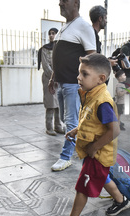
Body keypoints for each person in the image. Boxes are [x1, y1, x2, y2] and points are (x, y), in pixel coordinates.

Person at [53, 53, 130, 216]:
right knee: (101, 178)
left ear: (101, 79)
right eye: (79, 73)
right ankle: (122, 201)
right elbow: (91, 122)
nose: (78, 77)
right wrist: (77, 130)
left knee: (83, 186)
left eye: (84, 74)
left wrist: (94, 147)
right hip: (93, 152)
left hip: (98, 153)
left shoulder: (102, 102)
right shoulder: (90, 95)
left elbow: (114, 130)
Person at [49, 0, 96, 171]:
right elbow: (60, 57)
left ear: (75, 3)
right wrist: (53, 77)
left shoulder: (83, 26)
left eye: (64, 1)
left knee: (70, 122)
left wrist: (86, 82)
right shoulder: (64, 27)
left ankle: (65, 157)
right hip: (61, 82)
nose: (60, 3)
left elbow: (92, 56)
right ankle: (82, 142)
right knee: (64, 119)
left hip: (72, 84)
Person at [37, 28, 64, 136]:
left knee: (58, 104)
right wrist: (53, 77)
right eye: (50, 34)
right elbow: (45, 65)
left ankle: (58, 126)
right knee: (50, 103)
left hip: (60, 79)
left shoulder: (61, 48)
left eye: (54, 33)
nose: (51, 36)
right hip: (49, 78)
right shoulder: (44, 49)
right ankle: (49, 127)